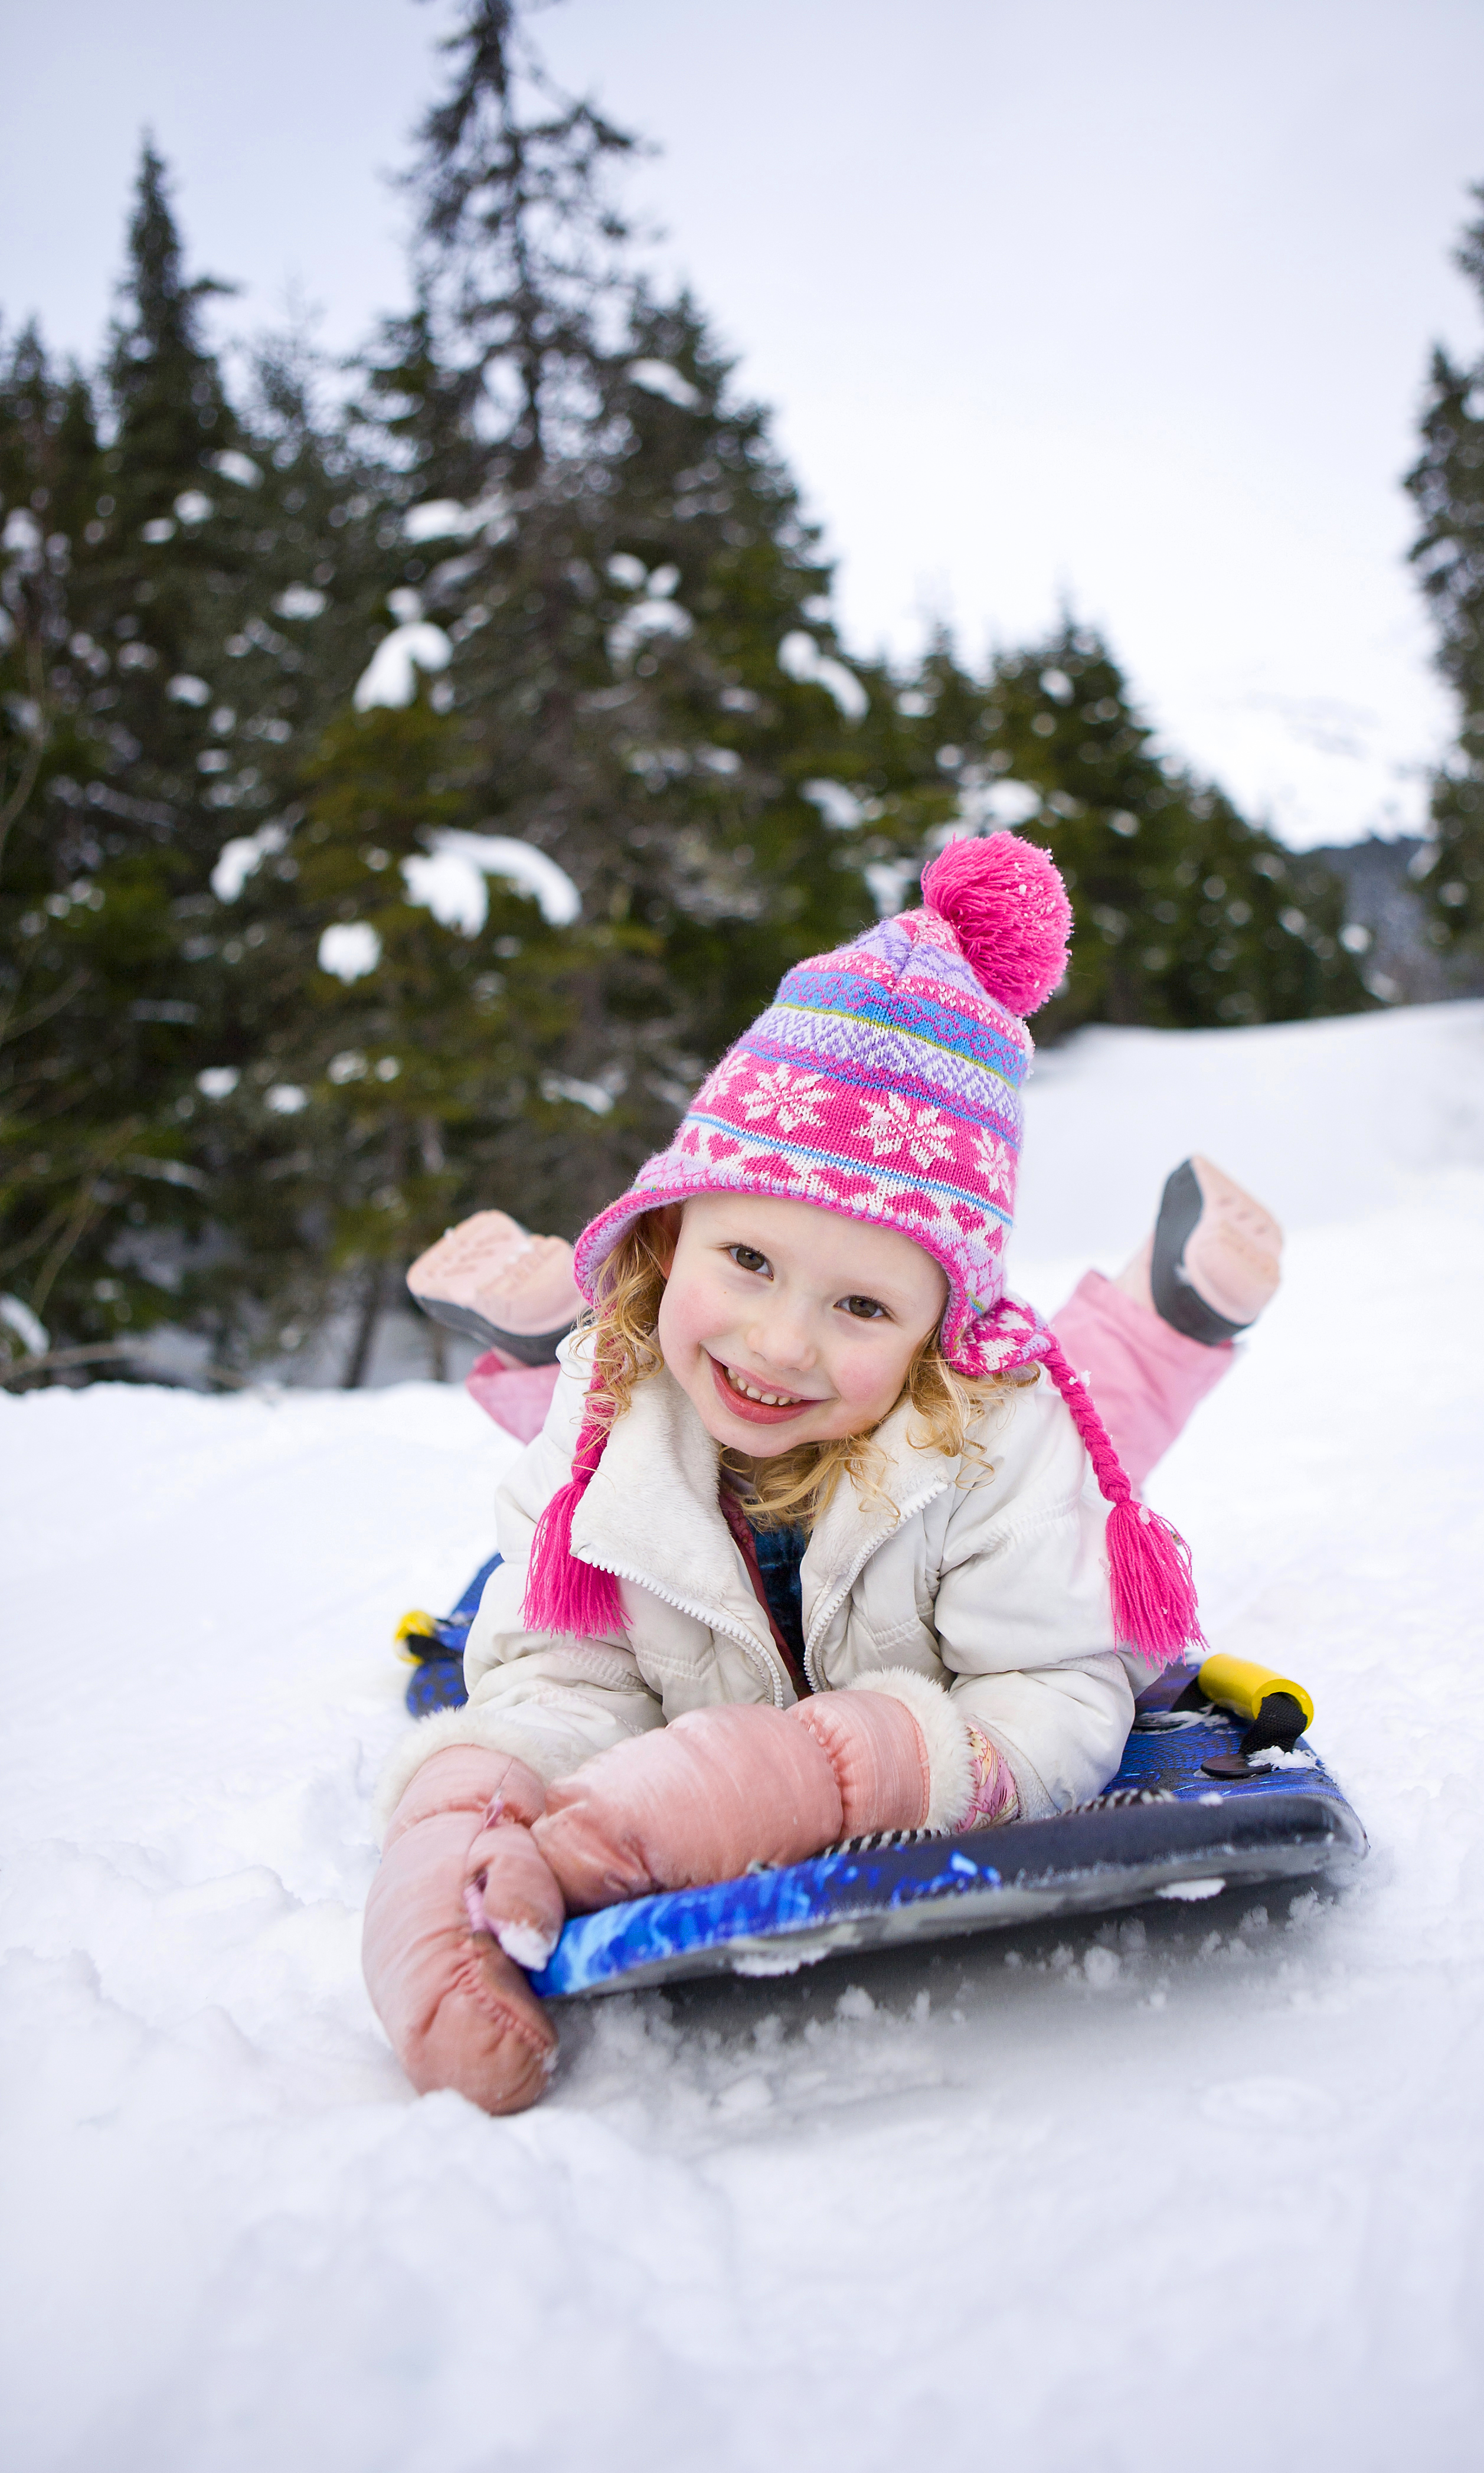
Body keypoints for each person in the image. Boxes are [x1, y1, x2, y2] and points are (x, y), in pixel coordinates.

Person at [364, 835, 1283, 2115]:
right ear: (671, 1227)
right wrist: (461, 1841)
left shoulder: (989, 1425)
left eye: (861, 1302)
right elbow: (557, 1676)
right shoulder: (612, 1409)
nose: (783, 1338)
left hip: (967, 1470)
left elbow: (1050, 1691)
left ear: (935, 1334)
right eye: (744, 1259)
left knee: (1089, 1428)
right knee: (634, 1406)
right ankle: (547, 1343)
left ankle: (1167, 1315)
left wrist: (827, 1768)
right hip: (642, 1375)